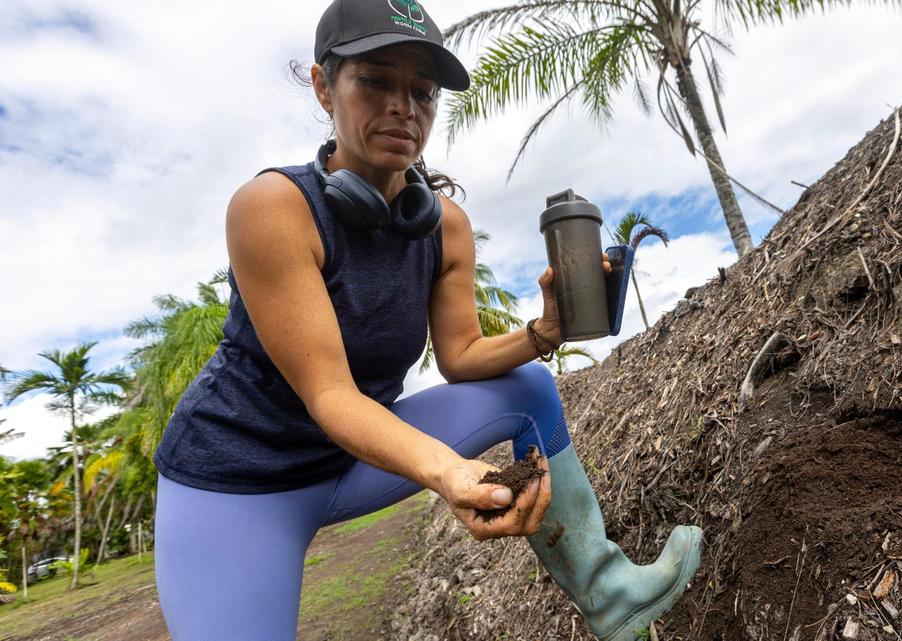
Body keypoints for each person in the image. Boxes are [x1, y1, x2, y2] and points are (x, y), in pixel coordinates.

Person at [151, 1, 703, 639]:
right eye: (376, 81)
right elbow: (329, 394)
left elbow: (461, 354)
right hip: (236, 483)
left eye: (422, 91)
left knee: (530, 390)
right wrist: (449, 472)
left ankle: (610, 594)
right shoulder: (273, 208)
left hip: (355, 459)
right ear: (324, 86)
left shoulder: (444, 225)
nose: (403, 107)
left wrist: (543, 333)